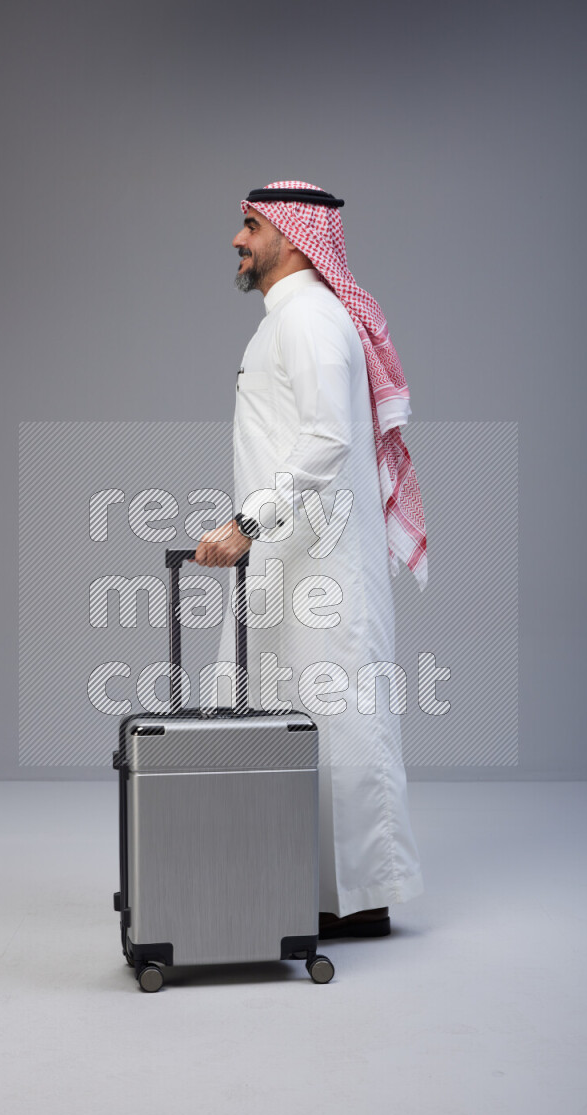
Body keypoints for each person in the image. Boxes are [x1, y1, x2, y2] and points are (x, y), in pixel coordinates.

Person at [191, 180, 427, 940]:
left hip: (319, 562)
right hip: (287, 557)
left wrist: (247, 523)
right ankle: (301, 888)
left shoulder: (313, 321)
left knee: (342, 718)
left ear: (292, 237)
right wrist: (256, 533)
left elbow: (325, 439)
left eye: (250, 225)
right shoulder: (286, 322)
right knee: (285, 715)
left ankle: (364, 897)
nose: (237, 239)